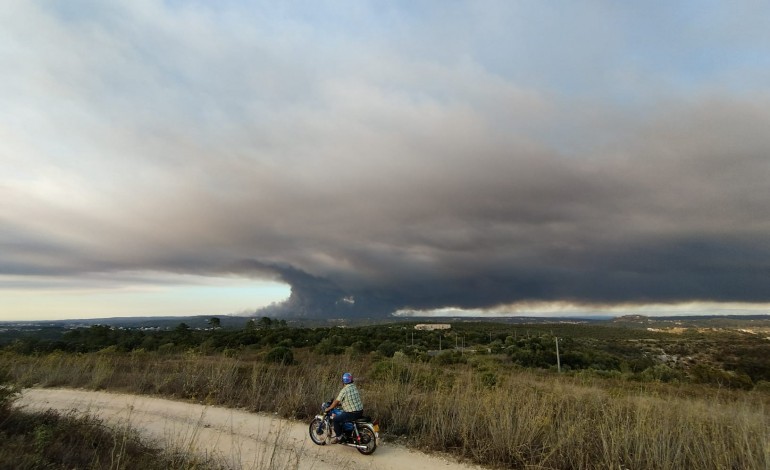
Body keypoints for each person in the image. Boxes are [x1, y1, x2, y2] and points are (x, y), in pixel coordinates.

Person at [325, 372, 363, 443]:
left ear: (344, 381)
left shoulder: (344, 390)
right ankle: (347, 434)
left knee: (336, 419)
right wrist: (340, 403)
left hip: (352, 413)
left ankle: (339, 437)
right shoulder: (354, 387)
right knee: (342, 416)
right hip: (360, 411)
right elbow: (349, 399)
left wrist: (329, 408)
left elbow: (336, 401)